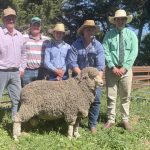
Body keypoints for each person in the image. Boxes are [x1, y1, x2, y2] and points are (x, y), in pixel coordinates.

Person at [103, 9, 138, 131]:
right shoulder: (108, 35)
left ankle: (125, 120)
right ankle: (111, 119)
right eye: (118, 19)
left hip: (126, 70)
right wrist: (112, 66)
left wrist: (125, 67)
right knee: (111, 96)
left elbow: (134, 52)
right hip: (111, 70)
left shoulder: (132, 35)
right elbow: (105, 51)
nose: (120, 21)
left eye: (123, 19)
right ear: (115, 21)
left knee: (125, 95)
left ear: (125, 20)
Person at [68, 20, 105, 133]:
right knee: (74, 100)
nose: (91, 31)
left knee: (96, 99)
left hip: (95, 78)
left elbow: (100, 65)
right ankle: (73, 122)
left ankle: (92, 124)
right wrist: (83, 77)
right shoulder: (75, 45)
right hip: (79, 76)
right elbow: (73, 63)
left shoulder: (98, 45)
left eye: (93, 29)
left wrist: (98, 79)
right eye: (88, 29)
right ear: (83, 31)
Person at [0, 7, 26, 120]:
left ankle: (15, 124)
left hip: (16, 72)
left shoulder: (20, 36)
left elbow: (24, 54)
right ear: (3, 19)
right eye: (8, 18)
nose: (11, 20)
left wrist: (22, 68)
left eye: (13, 18)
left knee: (17, 100)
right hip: (1, 72)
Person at [22, 17, 49, 86]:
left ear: (40, 27)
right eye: (34, 25)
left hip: (41, 71)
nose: (36, 27)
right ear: (30, 26)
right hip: (27, 72)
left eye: (38, 25)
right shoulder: (23, 38)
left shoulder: (47, 40)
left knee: (40, 94)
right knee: (26, 93)